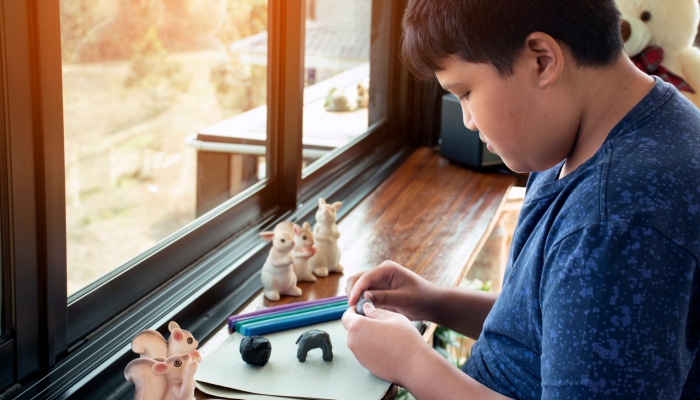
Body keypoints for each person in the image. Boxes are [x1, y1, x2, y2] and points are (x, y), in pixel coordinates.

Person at [341, 0, 700, 399]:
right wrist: (436, 302)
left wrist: (411, 364)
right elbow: (557, 321)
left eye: (465, 92)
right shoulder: (586, 131)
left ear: (542, 60)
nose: (468, 121)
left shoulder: (615, 225)